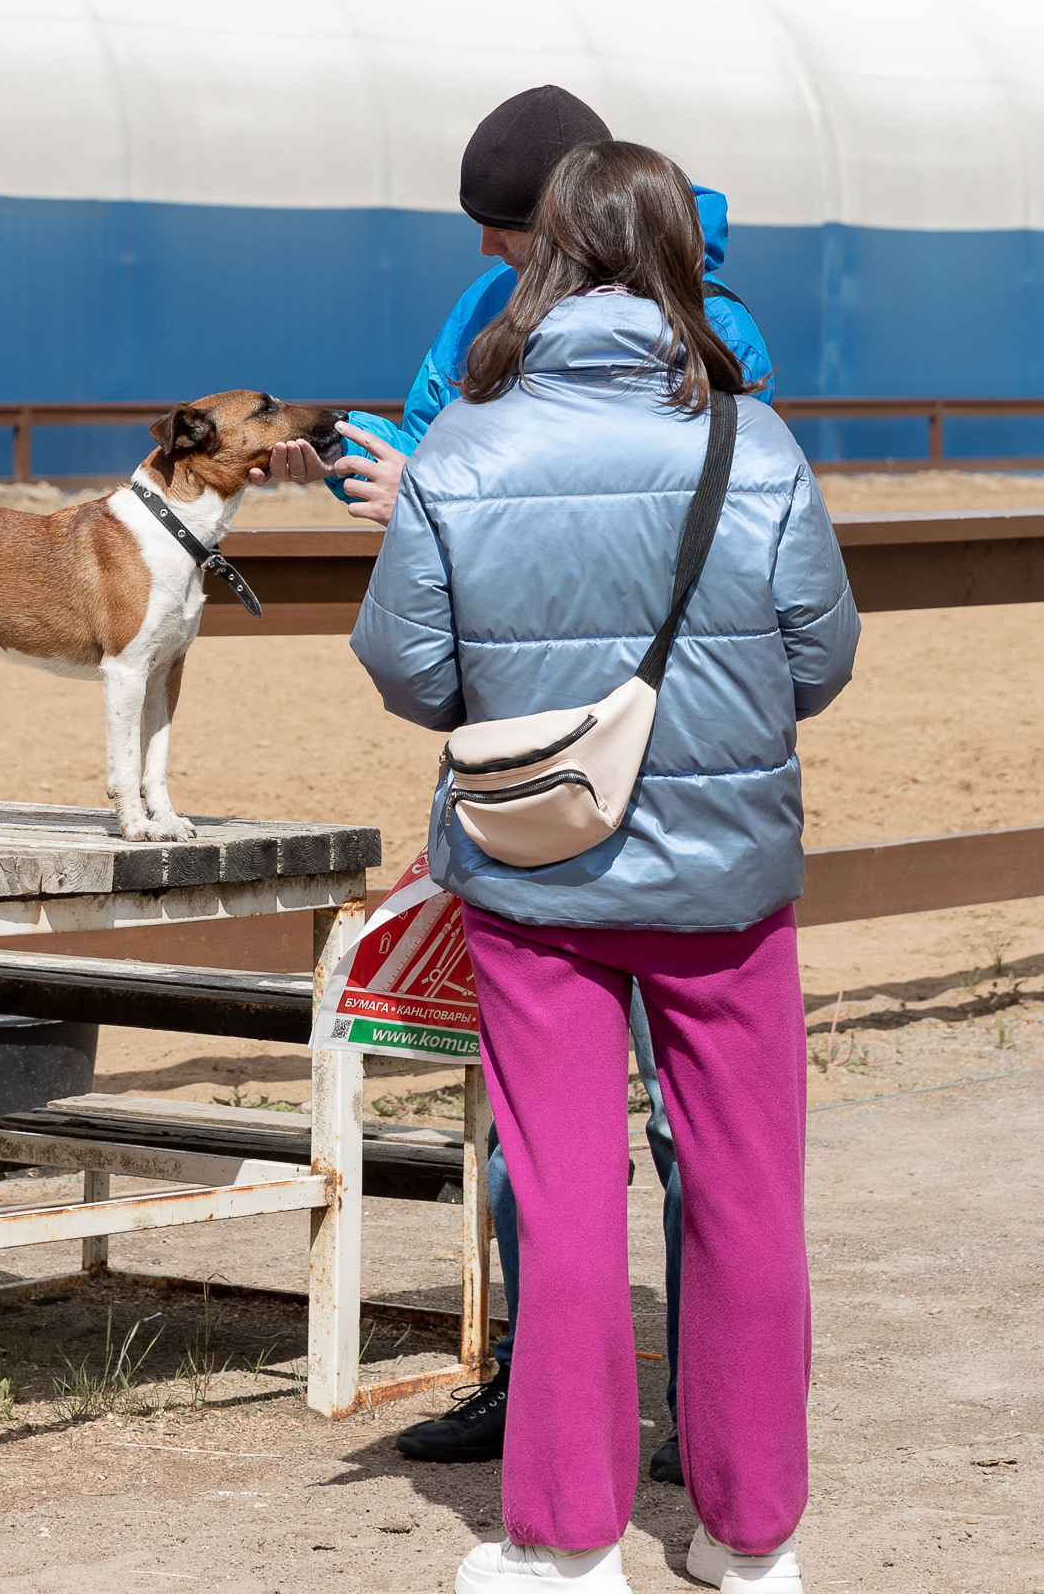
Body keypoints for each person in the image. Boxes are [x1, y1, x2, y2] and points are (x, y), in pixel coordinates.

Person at [349, 140, 859, 1591]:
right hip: (727, 887)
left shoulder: (464, 448)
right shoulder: (755, 444)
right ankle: (753, 1544)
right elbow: (821, 660)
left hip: (538, 877)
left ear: (545, 255)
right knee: (749, 1193)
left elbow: (411, 673)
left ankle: (565, 1549)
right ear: (677, 256)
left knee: (564, 1190)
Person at [255, 88, 775, 1481]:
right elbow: (456, 461)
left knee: (676, 1125)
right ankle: (546, 1384)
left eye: (505, 233)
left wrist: (439, 497)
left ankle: (693, 1414)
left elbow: (612, 519)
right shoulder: (487, 316)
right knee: (540, 1130)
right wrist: (391, 473)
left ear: (566, 217)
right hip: (549, 771)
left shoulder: (718, 338)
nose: (489, 259)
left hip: (630, 769)